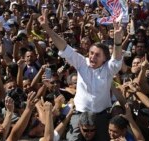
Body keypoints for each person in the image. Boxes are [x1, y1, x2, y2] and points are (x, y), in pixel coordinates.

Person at [37, 10, 124, 141]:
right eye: (91, 53)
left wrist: (117, 42)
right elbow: (64, 47)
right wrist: (48, 29)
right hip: (79, 113)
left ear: (105, 59)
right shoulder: (82, 63)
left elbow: (116, 60)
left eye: (97, 54)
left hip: (100, 115)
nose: (93, 56)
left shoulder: (108, 69)